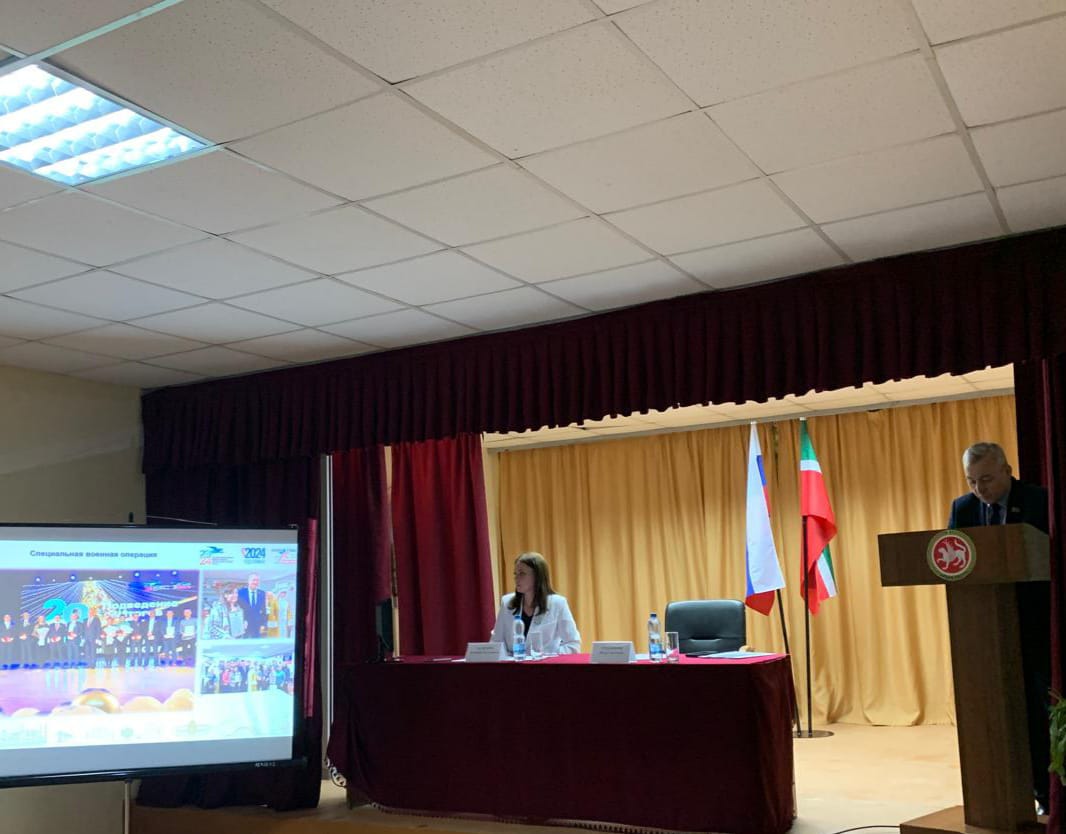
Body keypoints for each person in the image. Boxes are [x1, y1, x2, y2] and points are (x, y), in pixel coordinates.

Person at [948, 441, 1050, 814]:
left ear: (1007, 471)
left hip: (1036, 627)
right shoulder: (963, 509)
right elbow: (953, 567)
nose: (980, 489)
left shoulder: (1039, 501)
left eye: (987, 479)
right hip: (986, 633)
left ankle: (1049, 793)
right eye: (972, 481)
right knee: (998, 717)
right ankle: (1006, 796)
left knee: (1040, 714)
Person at [490, 552, 581, 656]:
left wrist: (549, 657)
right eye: (515, 574)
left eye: (522, 573)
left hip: (547, 664)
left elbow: (573, 644)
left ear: (537, 576)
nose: (516, 578)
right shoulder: (507, 602)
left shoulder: (557, 603)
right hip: (513, 664)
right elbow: (496, 643)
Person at [237, 574, 268, 638]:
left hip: (258, 626)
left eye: (257, 580)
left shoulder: (262, 593)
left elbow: (264, 610)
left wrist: (263, 624)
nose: (255, 582)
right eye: (253, 580)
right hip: (244, 626)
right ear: (248, 581)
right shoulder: (240, 592)